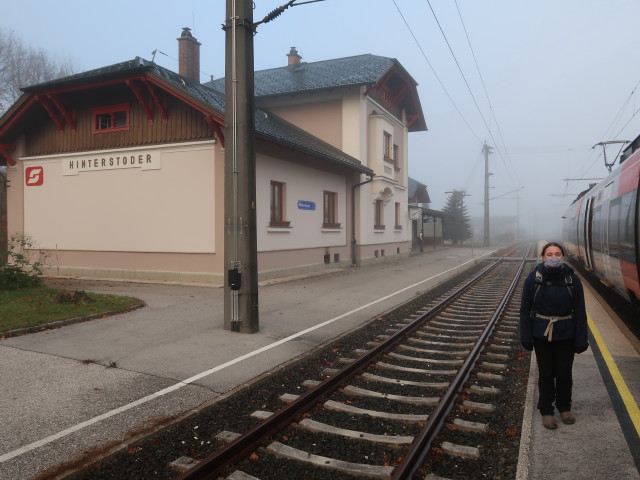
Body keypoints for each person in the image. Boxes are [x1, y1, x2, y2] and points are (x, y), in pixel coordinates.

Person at [520, 242, 589, 430]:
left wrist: (582, 337)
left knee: (564, 373)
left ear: (563, 256)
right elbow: (525, 309)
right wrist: (525, 335)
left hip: (566, 333)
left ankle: (565, 407)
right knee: (546, 373)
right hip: (541, 334)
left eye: (557, 254)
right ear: (542, 257)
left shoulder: (572, 280)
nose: (553, 257)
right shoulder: (534, 278)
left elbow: (580, 311)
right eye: (549, 254)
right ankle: (547, 411)